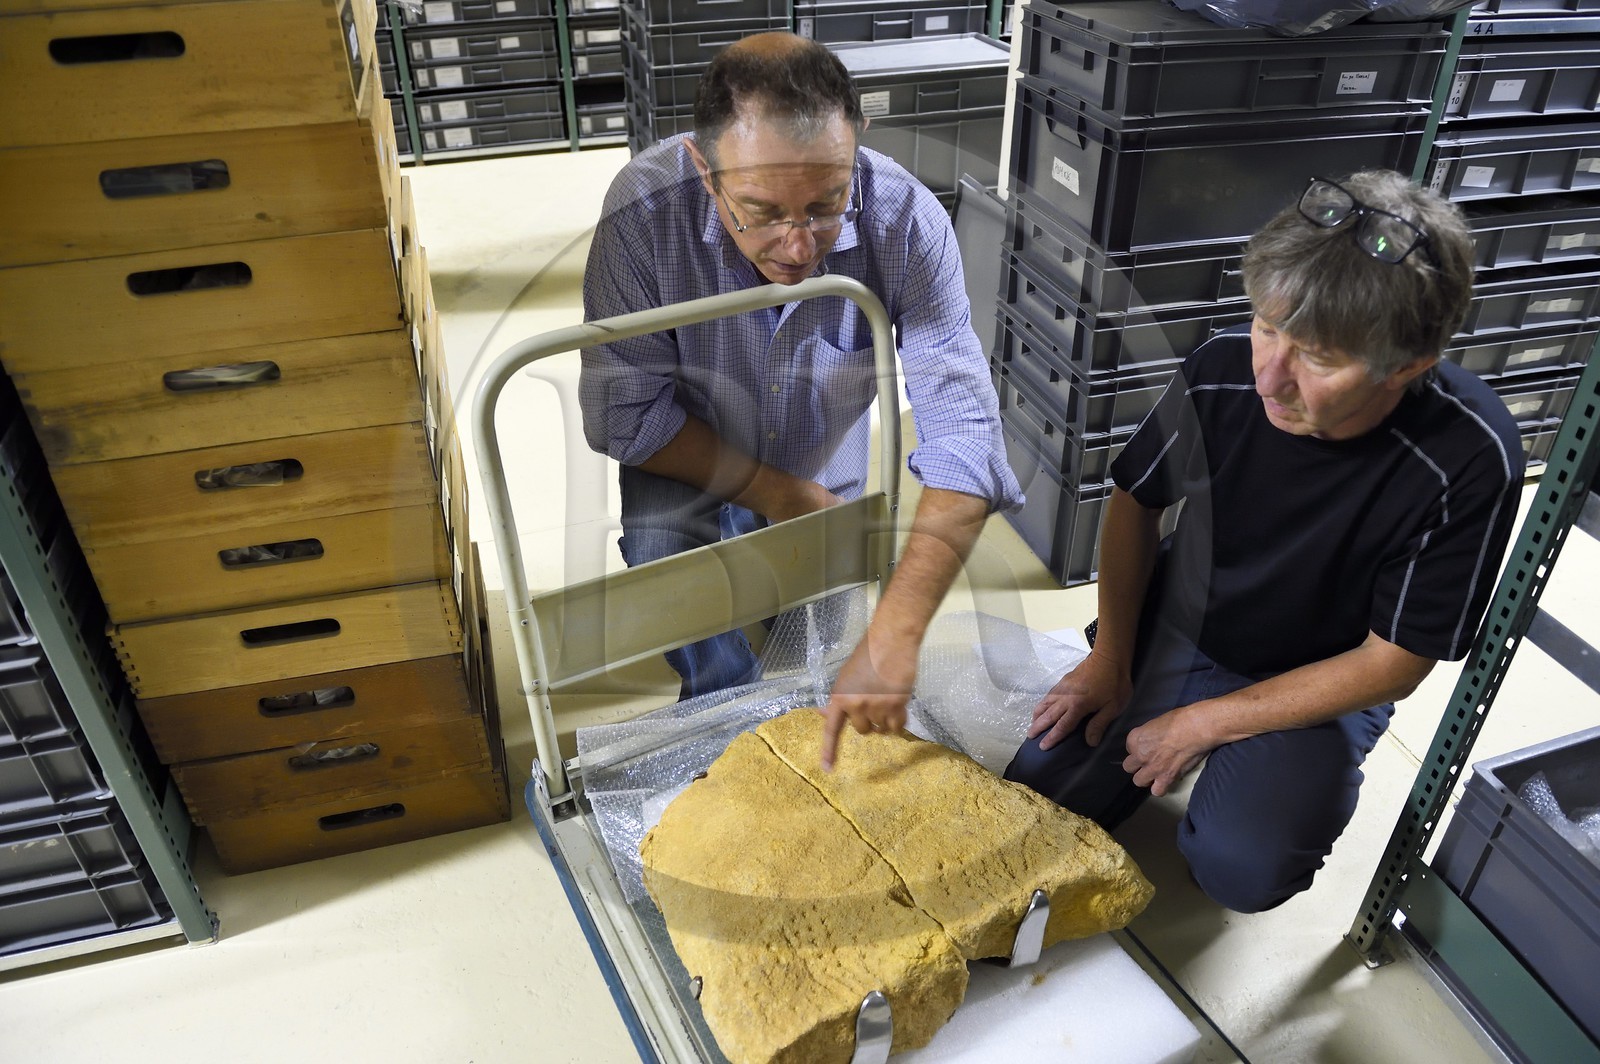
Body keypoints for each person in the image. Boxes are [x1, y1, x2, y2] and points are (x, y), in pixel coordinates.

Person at [1005, 171, 1524, 913]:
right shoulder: (1221, 372)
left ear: (1408, 367)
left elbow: (1394, 661)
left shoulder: (1469, 458)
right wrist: (1111, 654)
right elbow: (1135, 500)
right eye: (1267, 328)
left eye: (1317, 358)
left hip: (1321, 679)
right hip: (1183, 630)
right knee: (1031, 796)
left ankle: (1244, 763)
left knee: (1241, 872)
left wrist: (1207, 722)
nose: (1269, 377)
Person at [579, 33, 1022, 769]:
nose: (795, 245)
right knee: (670, 559)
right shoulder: (643, 213)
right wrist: (772, 492)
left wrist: (897, 635)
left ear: (858, 145)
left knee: (817, 650)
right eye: (759, 210)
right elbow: (622, 413)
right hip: (685, 448)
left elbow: (967, 433)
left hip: (824, 462)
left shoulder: (905, 218)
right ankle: (718, 724)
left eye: (826, 204)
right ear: (702, 165)